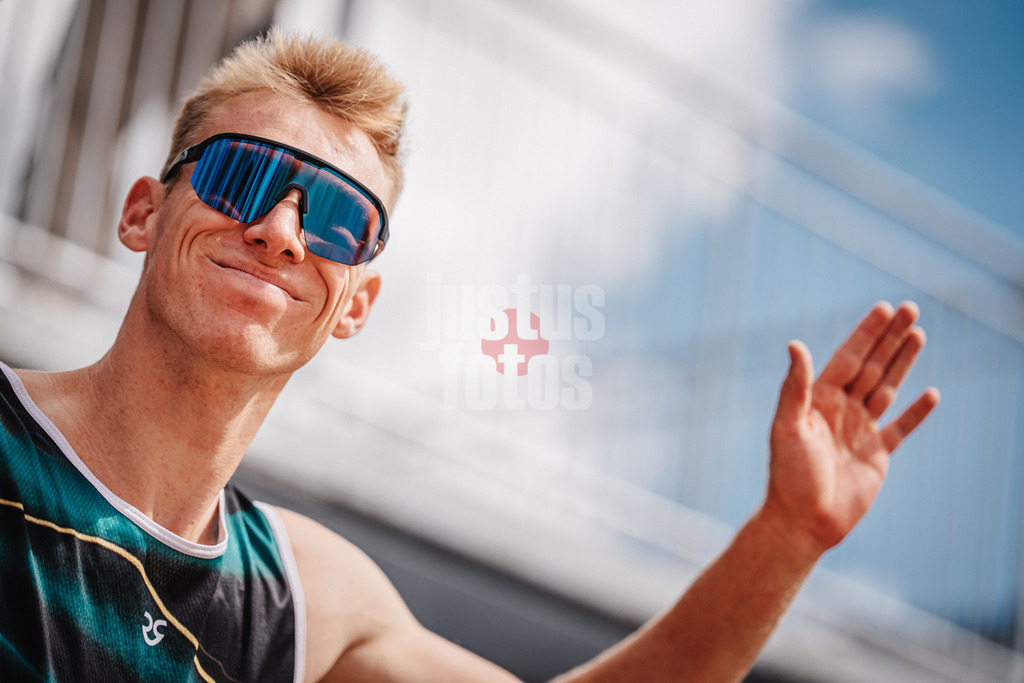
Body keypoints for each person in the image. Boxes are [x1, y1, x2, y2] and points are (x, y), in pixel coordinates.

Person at [0, 27, 939, 683]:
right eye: (243, 175)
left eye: (337, 219)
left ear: (356, 303)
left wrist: (788, 536)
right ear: (142, 212)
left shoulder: (303, 597)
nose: (283, 231)